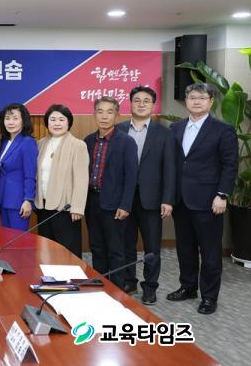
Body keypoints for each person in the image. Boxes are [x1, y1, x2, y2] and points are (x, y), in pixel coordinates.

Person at [167, 83, 238, 315]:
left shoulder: (223, 129)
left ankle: (209, 296)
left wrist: (222, 195)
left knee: (210, 252)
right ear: (186, 101)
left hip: (209, 201)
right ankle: (188, 287)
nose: (196, 101)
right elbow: (172, 164)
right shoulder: (175, 128)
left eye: (202, 97)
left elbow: (230, 165)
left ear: (211, 101)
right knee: (185, 249)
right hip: (181, 200)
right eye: (192, 97)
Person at [116, 86, 176, 305]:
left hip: (152, 200)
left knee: (152, 247)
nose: (141, 104)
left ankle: (150, 287)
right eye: (137, 100)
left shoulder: (164, 133)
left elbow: (170, 168)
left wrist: (168, 199)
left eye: (146, 101)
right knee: (126, 244)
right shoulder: (119, 130)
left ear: (153, 105)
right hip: (124, 200)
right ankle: (129, 281)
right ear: (130, 103)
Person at [84, 96, 138, 290]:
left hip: (115, 204)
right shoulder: (88, 140)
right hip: (92, 202)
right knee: (97, 247)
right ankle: (101, 284)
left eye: (109, 112)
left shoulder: (126, 142)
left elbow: (131, 177)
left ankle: (116, 289)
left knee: (115, 250)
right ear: (94, 114)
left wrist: (125, 205)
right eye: (100, 112)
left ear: (117, 115)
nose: (104, 116)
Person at [34, 104, 89, 257]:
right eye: (53, 119)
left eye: (61, 119)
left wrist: (77, 207)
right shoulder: (40, 144)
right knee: (46, 250)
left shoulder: (78, 145)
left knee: (66, 251)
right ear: (47, 122)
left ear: (68, 122)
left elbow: (81, 179)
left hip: (66, 208)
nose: (57, 123)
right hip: (44, 207)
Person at [0, 103, 38, 231]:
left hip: (19, 201)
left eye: (15, 118)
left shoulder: (27, 142)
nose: (11, 122)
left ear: (23, 120)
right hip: (3, 199)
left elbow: (30, 174)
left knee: (18, 240)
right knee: (5, 239)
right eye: (7, 118)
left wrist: (28, 200)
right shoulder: (4, 142)